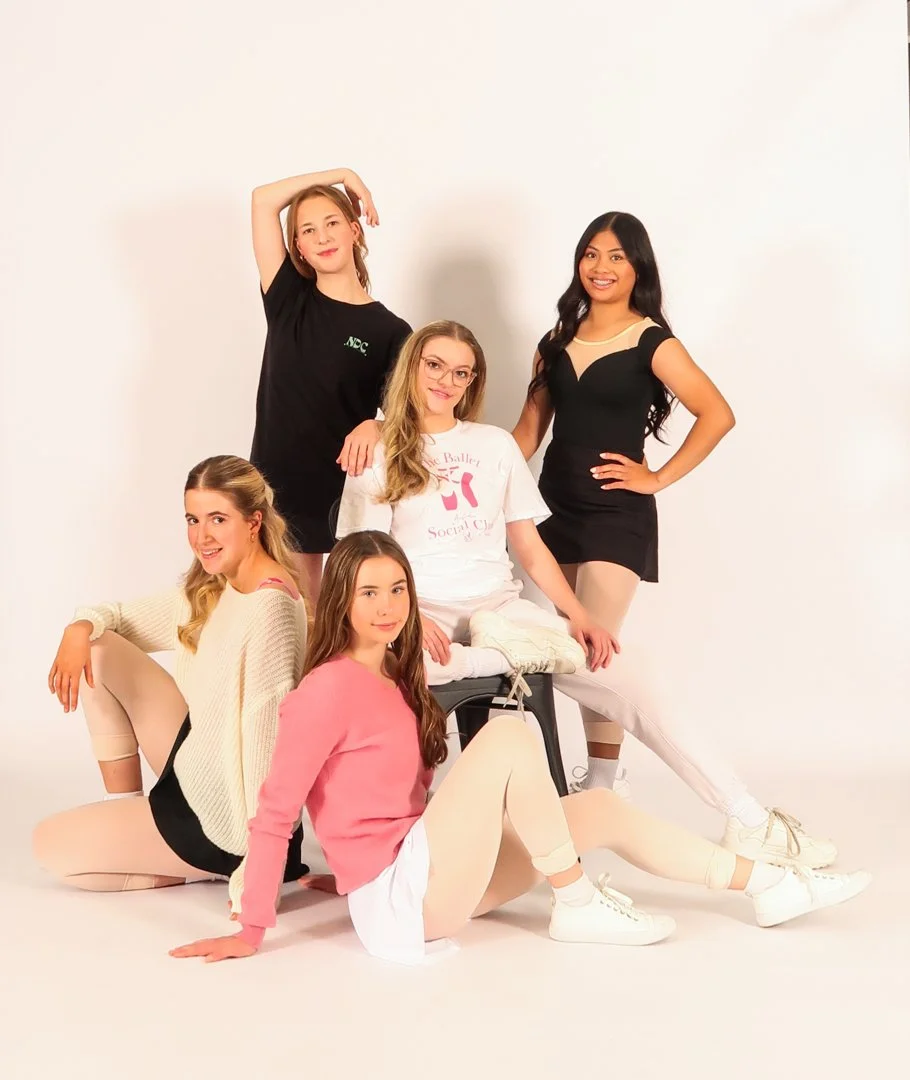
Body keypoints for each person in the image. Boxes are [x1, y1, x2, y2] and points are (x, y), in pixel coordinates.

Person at [169, 531, 869, 966]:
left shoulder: (399, 672)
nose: (387, 606)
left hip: (427, 872)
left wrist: (343, 874)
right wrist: (252, 928)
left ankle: (768, 885)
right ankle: (575, 899)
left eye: (398, 590)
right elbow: (275, 811)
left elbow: (383, 801)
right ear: (340, 602)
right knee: (506, 732)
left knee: (595, 808)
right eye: (368, 593)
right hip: (406, 901)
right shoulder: (325, 688)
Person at [333, 320, 836, 869]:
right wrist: (405, 621)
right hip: (419, 613)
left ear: (473, 382)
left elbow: (528, 546)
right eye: (435, 365)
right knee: (412, 672)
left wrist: (577, 615)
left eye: (462, 372)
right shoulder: (377, 448)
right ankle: (500, 660)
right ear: (413, 366)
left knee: (630, 671)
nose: (446, 381)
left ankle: (748, 819)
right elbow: (365, 556)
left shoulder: (494, 446)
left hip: (499, 610)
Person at [511, 211, 734, 804]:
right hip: (553, 510)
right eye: (591, 253)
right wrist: (466, 466)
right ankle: (591, 777)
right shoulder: (554, 343)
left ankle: (604, 781)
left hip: (617, 513)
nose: (601, 267)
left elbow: (717, 414)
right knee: (559, 651)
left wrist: (656, 477)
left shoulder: (652, 341)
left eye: (615, 256)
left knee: (594, 648)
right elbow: (529, 433)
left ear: (637, 266)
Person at [33, 455, 309, 911]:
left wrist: (260, 865)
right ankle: (122, 808)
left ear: (254, 521)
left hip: (228, 817)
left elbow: (267, 743)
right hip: (199, 760)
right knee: (98, 650)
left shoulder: (269, 609)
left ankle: (201, 864)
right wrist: (77, 628)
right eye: (193, 519)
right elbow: (119, 617)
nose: (202, 536)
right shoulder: (217, 585)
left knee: (50, 847)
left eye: (218, 519)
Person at [249, 166, 411, 602]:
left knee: (326, 620)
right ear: (297, 246)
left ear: (356, 230)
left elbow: (412, 420)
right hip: (274, 485)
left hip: (341, 492)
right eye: (308, 230)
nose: (322, 237)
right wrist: (343, 174)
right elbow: (263, 199)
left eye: (333, 222)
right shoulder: (288, 299)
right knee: (280, 614)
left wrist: (376, 426)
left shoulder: (390, 331)